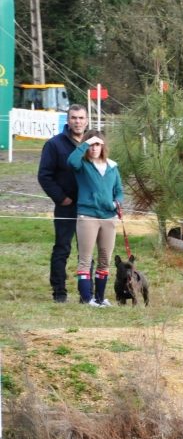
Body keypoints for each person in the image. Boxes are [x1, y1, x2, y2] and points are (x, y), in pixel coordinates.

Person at [38, 104, 88, 302]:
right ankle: (59, 291)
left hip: (88, 206)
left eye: (81, 118)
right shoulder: (54, 145)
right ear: (68, 120)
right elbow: (44, 176)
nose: (77, 121)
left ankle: (86, 292)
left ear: (86, 120)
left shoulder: (93, 142)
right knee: (62, 248)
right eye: (74, 118)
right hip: (66, 205)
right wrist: (61, 198)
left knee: (86, 250)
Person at [67, 130, 124, 306]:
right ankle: (86, 298)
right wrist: (84, 144)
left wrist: (116, 204)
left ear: (103, 145)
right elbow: (71, 161)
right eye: (90, 144)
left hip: (109, 218)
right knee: (85, 259)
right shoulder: (82, 165)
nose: (94, 148)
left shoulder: (112, 166)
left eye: (97, 144)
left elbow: (119, 191)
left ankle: (99, 298)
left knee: (105, 259)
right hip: (87, 216)